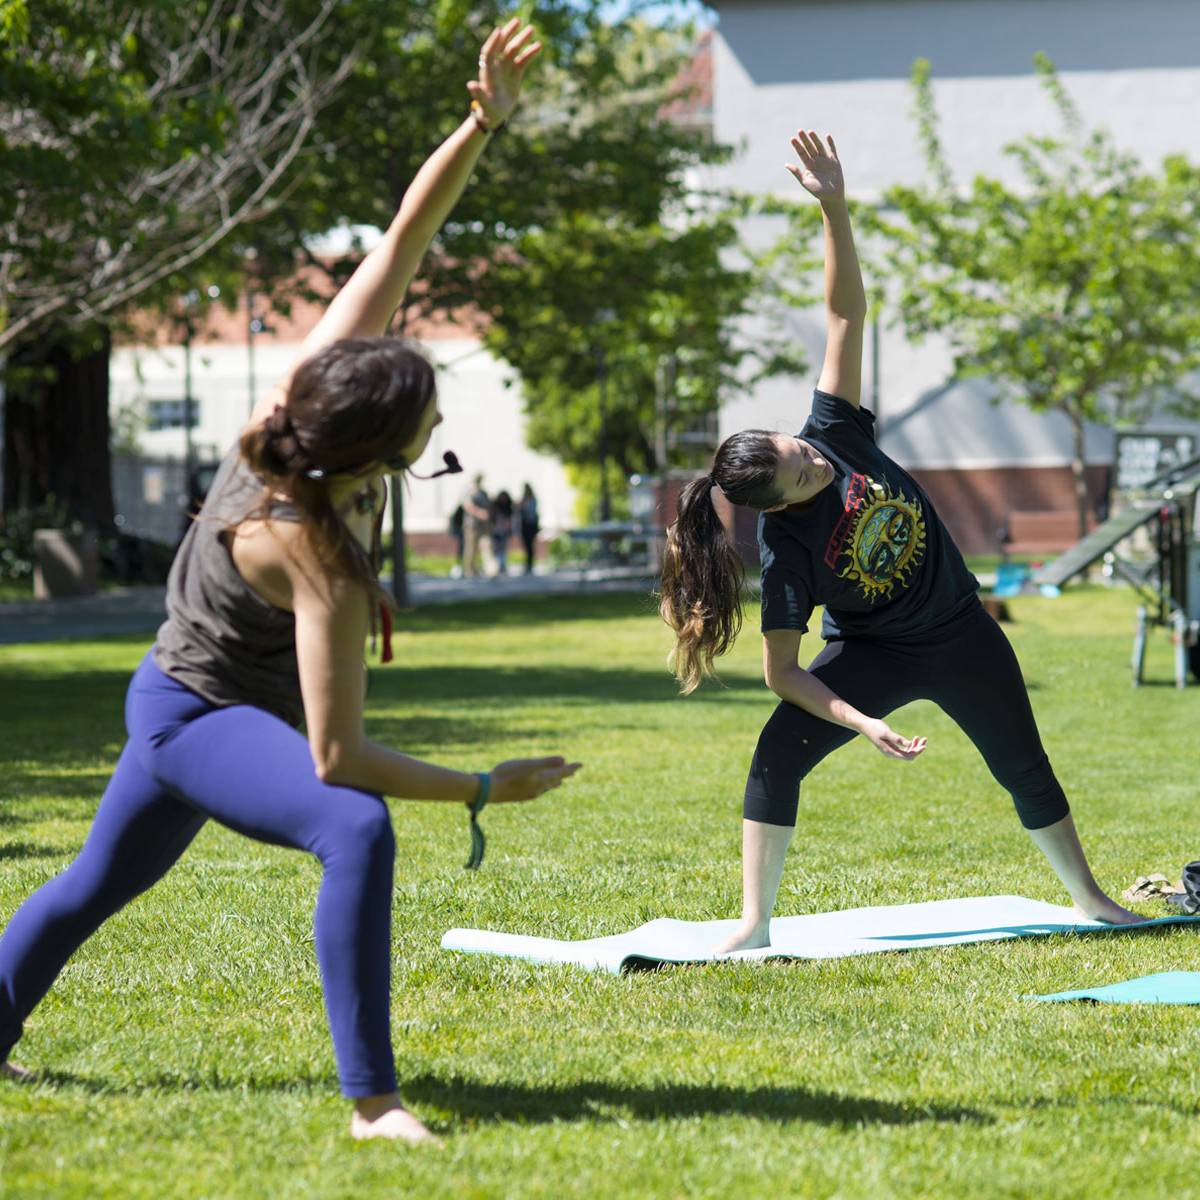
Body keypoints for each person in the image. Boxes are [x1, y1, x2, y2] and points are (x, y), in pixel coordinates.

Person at [0, 21, 581, 1143]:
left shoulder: (306, 408)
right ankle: (374, 1104)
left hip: (187, 695)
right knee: (355, 826)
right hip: (199, 715)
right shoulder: (316, 552)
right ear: (378, 448)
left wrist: (480, 127)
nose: (439, 418)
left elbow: (406, 237)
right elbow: (335, 757)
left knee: (87, 888)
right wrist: (478, 786)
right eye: (429, 416)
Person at [658, 129, 1139, 955]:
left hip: (962, 634)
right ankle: (753, 924)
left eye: (798, 446)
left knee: (1023, 764)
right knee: (776, 757)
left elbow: (846, 312)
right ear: (778, 508)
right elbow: (782, 673)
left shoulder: (834, 429)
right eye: (801, 470)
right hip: (874, 654)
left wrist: (834, 209)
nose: (813, 457)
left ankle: (1091, 899)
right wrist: (861, 720)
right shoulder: (787, 555)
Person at [461, 474, 490, 577]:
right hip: (471, 524)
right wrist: (479, 513)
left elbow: (489, 506)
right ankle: (470, 570)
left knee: (486, 545)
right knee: (470, 548)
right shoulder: (470, 492)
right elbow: (467, 506)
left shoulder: (483, 493)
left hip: (483, 525)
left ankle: (489, 569)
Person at [490, 489, 514, 575]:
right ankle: (497, 566)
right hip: (496, 530)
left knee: (503, 548)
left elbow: (510, 520)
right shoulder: (496, 507)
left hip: (504, 530)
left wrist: (510, 530)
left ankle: (502, 565)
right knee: (496, 548)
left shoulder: (508, 508)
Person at [519, 482, 540, 574]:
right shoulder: (525, 499)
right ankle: (528, 563)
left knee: (530, 545)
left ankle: (530, 564)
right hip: (525, 524)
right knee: (527, 545)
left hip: (530, 525)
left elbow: (529, 511)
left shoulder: (532, 500)